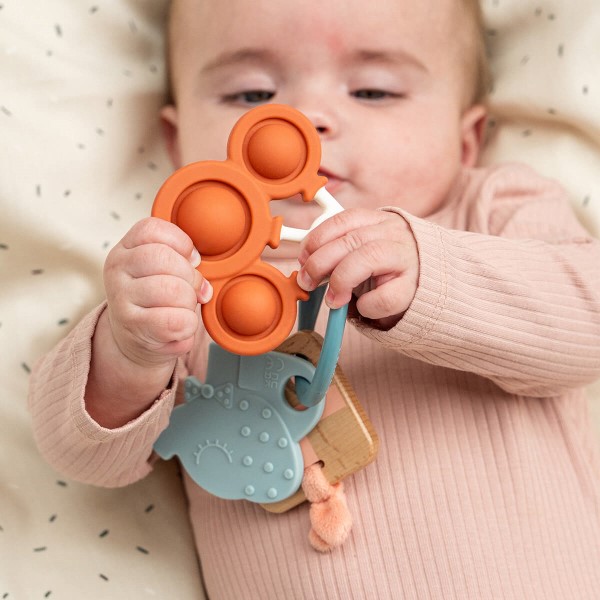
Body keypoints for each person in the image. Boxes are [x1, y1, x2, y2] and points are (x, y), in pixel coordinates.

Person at [28, 0, 600, 598]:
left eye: (374, 91)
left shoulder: (492, 212)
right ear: (177, 143)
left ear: (466, 140)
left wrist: (435, 272)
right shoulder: (182, 284)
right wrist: (129, 353)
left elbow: (586, 318)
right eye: (252, 94)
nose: (306, 117)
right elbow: (81, 456)